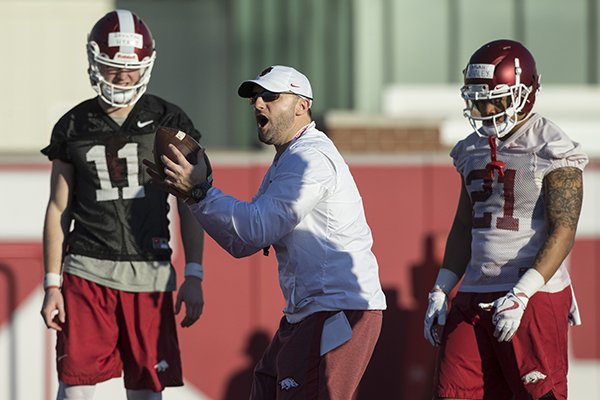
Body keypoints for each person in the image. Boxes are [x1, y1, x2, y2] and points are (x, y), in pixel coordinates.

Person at [145, 65, 387, 399]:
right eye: (255, 97)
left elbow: (257, 229)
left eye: (271, 96)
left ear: (302, 105)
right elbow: (241, 241)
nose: (259, 104)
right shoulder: (288, 159)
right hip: (308, 311)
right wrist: (192, 196)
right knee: (265, 386)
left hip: (337, 308)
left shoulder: (311, 158)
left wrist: (200, 193)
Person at [39, 10, 206, 400]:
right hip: (87, 269)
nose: (122, 77)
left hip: (150, 271)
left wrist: (195, 273)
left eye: (130, 69)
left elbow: (191, 201)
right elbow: (57, 209)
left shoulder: (169, 119)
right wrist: (51, 283)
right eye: (112, 67)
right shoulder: (73, 124)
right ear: (95, 63)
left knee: (146, 393)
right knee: (76, 390)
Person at [423, 39, 588, 400]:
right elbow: (465, 225)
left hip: (531, 295)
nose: (483, 107)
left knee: (538, 395)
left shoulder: (552, 146)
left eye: (492, 97)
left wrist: (523, 293)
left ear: (524, 92)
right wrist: (441, 287)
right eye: (477, 98)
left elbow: (563, 230)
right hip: (474, 291)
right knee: (451, 393)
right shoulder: (471, 148)